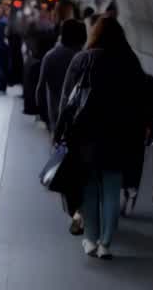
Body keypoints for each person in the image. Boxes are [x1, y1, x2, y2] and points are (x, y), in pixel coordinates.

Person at [54, 17, 145, 259]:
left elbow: (67, 101)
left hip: (85, 137)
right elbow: (140, 102)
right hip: (119, 137)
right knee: (112, 190)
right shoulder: (130, 61)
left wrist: (58, 133)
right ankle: (106, 244)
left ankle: (91, 241)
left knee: (89, 191)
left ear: (94, 35)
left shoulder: (82, 59)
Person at [38, 19, 89, 234]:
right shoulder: (85, 59)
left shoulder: (50, 56)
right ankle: (83, 209)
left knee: (63, 167)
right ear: (82, 37)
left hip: (57, 122)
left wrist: (45, 118)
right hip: (83, 122)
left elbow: (40, 90)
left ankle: (74, 211)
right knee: (82, 168)